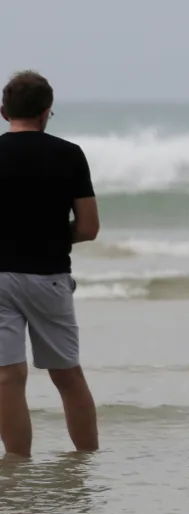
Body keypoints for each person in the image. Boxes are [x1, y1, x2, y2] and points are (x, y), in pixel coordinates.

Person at [0, 71, 100, 458]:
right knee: (67, 376)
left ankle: (17, 466)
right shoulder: (68, 154)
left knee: (7, 377)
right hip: (49, 277)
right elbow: (89, 228)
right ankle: (87, 461)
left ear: (3, 111)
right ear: (47, 112)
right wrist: (53, 236)